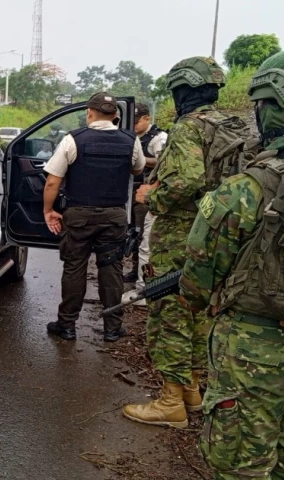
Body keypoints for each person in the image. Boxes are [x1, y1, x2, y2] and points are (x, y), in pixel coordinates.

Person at [181, 46, 284, 480]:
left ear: (283, 107)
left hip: (255, 353)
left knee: (242, 466)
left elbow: (197, 281)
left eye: (264, 104)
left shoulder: (247, 188)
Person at [124, 57, 237, 428]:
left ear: (181, 90)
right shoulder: (230, 126)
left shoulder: (189, 128)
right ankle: (191, 391)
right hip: (216, 238)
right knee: (199, 313)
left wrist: (150, 197)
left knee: (170, 313)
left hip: (180, 238)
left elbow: (185, 182)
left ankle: (170, 402)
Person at [43, 92, 145, 342]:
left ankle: (66, 325)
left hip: (79, 216)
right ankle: (112, 327)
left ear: (89, 112)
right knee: (111, 269)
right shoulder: (131, 140)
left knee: (74, 268)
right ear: (116, 116)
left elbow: (52, 181)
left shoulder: (73, 139)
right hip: (114, 216)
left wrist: (48, 210)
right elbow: (138, 168)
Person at [124, 103, 168, 289]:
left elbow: (162, 160)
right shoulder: (129, 136)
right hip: (129, 193)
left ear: (147, 118)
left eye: (137, 121)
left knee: (143, 236)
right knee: (132, 233)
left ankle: (144, 278)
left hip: (146, 194)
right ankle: (135, 270)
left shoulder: (158, 138)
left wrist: (138, 157)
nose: (133, 125)